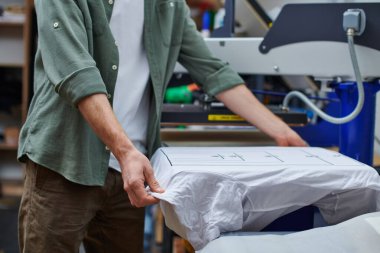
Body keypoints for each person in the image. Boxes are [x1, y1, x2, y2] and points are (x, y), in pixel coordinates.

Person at [17, 0, 307, 252]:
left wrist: (282, 132)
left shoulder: (169, 5)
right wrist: (125, 150)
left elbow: (212, 70)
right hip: (64, 162)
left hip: (128, 175)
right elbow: (76, 73)